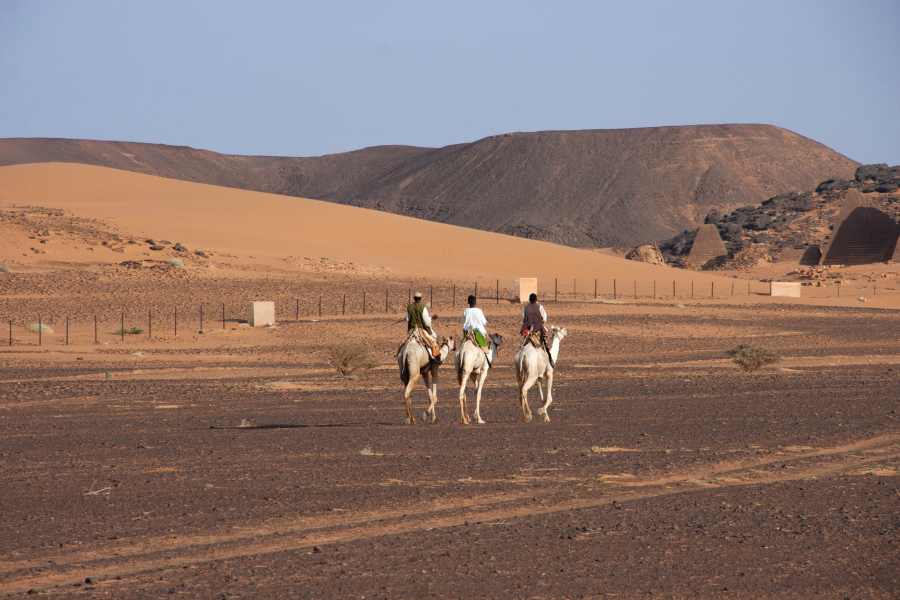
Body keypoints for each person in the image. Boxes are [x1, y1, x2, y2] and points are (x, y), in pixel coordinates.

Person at [406, 291, 442, 359]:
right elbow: (426, 320)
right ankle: (435, 358)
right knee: (432, 341)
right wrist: (432, 318)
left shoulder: (409, 307)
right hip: (421, 329)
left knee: (403, 342)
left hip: (411, 329)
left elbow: (407, 319)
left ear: (414, 298)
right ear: (420, 299)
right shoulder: (423, 307)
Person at [521, 292, 553, 365]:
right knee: (545, 333)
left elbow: (523, 319)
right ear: (536, 299)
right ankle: (545, 347)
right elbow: (544, 319)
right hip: (538, 328)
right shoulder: (540, 307)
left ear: (529, 300)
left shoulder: (525, 308)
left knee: (524, 342)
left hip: (527, 329)